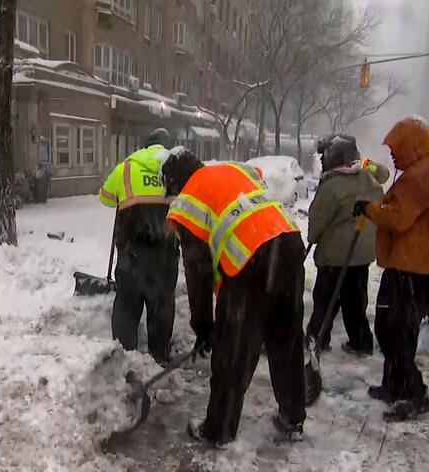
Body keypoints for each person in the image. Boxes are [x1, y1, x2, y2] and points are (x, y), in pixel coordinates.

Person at [163, 150, 308, 445]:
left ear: (176, 182)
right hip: (288, 242)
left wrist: (204, 326)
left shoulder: (189, 198)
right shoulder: (234, 171)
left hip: (252, 258)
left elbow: (197, 271)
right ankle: (292, 418)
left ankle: (219, 430)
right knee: (286, 339)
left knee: (233, 352)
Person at [352, 117, 429, 421]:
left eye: (397, 148)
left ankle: (415, 395)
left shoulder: (423, 174)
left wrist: (369, 208)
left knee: (395, 331)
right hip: (410, 263)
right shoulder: (424, 171)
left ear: (412, 145)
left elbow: (398, 217)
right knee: (393, 328)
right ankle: (393, 386)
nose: (393, 155)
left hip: (413, 267)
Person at [98, 128, 179, 364]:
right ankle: (159, 354)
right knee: (162, 306)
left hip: (131, 257)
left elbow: (104, 197)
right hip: (164, 257)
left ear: (146, 146)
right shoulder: (177, 173)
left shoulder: (126, 168)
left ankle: (124, 356)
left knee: (127, 304)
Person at [306, 134, 387, 357]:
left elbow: (317, 221)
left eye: (324, 156)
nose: (321, 161)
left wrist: (312, 237)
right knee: (355, 301)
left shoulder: (331, 186)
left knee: (325, 301)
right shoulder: (368, 177)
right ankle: (360, 342)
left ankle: (317, 339)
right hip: (362, 254)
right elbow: (384, 174)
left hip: (334, 255)